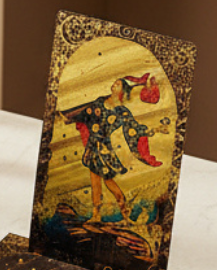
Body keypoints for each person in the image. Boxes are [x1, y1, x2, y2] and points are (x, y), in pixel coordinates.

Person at [60, 74, 169, 223]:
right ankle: (97, 215)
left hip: (105, 151)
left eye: (117, 84)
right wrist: (70, 118)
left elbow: (135, 128)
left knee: (109, 182)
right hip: (93, 148)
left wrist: (156, 130)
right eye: (114, 83)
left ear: (122, 91)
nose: (113, 85)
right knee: (95, 183)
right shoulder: (100, 102)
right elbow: (86, 114)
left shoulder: (122, 112)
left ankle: (124, 213)